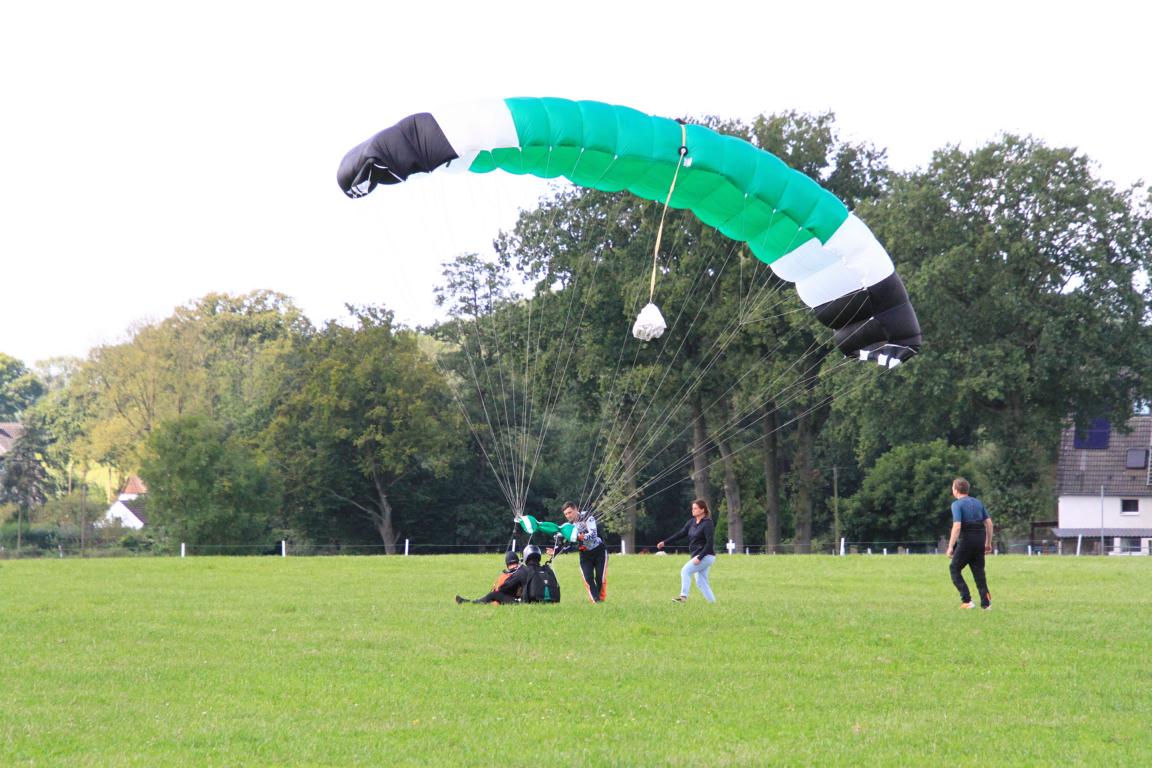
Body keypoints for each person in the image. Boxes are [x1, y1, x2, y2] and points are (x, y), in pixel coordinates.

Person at [946, 477, 993, 610]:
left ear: (956, 490)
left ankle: (967, 600)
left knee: (954, 568)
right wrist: (988, 543)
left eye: (952, 488)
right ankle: (986, 604)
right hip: (980, 539)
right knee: (979, 573)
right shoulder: (978, 503)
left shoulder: (956, 505)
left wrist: (950, 547)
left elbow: (957, 526)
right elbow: (989, 523)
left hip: (967, 539)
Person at [656, 499, 717, 603]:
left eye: (695, 508)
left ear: (702, 510)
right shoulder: (692, 522)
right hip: (697, 556)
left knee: (685, 571)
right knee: (701, 581)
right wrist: (665, 542)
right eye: (692, 508)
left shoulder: (708, 523)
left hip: (706, 556)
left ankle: (683, 597)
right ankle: (713, 604)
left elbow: (710, 543)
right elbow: (681, 534)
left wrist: (700, 557)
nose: (693, 510)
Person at [456, 545, 561, 604]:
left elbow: (504, 587)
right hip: (552, 602)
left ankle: (471, 603)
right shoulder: (548, 569)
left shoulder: (523, 571)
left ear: (526, 557)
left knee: (494, 595)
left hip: (529, 603)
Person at [549, 501, 608, 602]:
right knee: (588, 577)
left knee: (600, 578)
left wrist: (581, 537)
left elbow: (593, 534)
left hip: (599, 551)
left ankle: (600, 598)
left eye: (570, 512)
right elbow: (566, 544)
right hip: (585, 554)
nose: (568, 516)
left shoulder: (587, 517)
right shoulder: (568, 526)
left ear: (576, 509)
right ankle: (596, 601)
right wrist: (555, 551)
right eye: (566, 514)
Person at [456, 549, 523, 605]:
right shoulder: (522, 571)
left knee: (493, 595)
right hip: (514, 598)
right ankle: (474, 602)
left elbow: (500, 589)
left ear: (507, 564)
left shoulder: (509, 575)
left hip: (515, 600)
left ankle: (471, 603)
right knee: (494, 596)